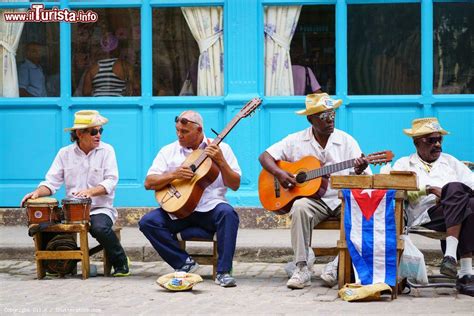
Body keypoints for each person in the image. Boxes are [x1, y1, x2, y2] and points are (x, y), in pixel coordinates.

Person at [258, 93, 371, 289]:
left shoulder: (347, 141)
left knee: (360, 208)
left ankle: (337, 265)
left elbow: (367, 179)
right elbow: (265, 157)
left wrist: (359, 169)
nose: (330, 120)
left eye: (332, 114)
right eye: (324, 116)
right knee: (300, 206)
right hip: (314, 201)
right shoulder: (295, 140)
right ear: (310, 119)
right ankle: (301, 268)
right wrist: (281, 174)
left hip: (340, 199)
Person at [21, 110, 130, 277]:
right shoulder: (64, 153)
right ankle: (55, 265)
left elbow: (111, 180)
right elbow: (51, 182)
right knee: (43, 226)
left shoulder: (107, 150)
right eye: (94, 131)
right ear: (79, 133)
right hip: (71, 212)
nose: (98, 135)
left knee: (100, 228)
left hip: (100, 208)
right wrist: (36, 193)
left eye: (101, 131)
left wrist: (90, 192)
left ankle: (121, 261)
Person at [139, 110, 241, 287]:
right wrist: (173, 175)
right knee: (148, 222)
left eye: (184, 132)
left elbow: (235, 184)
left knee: (228, 214)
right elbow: (149, 182)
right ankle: (183, 262)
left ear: (199, 130)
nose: (180, 135)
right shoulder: (168, 151)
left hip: (210, 208)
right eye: (177, 130)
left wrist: (221, 161)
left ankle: (223, 272)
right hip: (178, 210)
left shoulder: (222, 149)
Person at [392, 117, 473, 296]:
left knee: (461, 196)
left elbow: (472, 184)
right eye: (431, 140)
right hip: (425, 214)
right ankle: (465, 272)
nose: (437, 144)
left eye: (439, 140)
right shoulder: (404, 163)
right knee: (455, 191)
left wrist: (449, 197)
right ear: (416, 142)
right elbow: (397, 189)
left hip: (452, 212)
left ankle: (452, 259)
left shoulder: (450, 161)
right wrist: (428, 190)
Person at [82, 32, 138, 96]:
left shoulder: (92, 68)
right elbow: (136, 86)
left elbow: (86, 92)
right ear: (117, 48)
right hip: (120, 104)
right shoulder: (125, 66)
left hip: (98, 105)